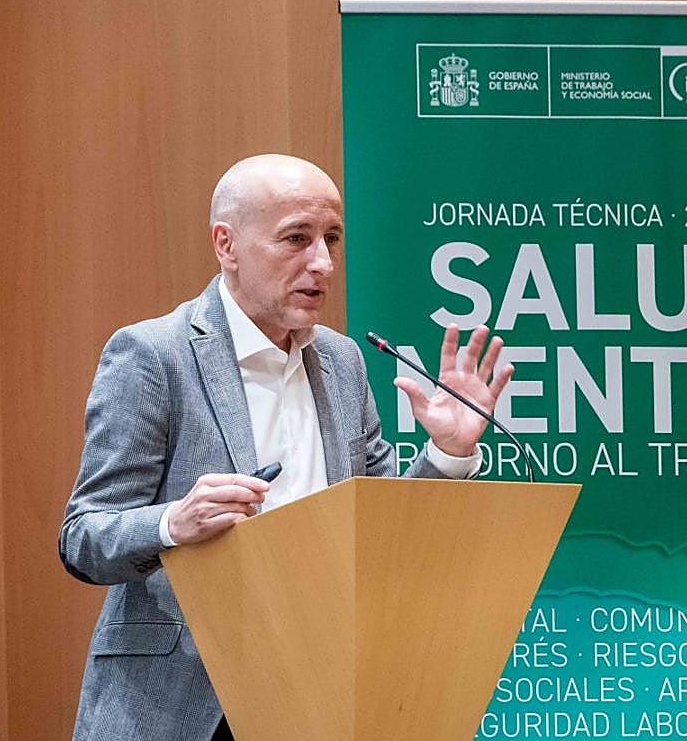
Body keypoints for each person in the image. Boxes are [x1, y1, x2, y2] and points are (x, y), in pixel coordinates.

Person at [59, 154, 514, 741]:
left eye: (331, 238)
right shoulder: (154, 356)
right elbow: (84, 537)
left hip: (321, 692)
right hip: (184, 704)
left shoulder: (342, 360)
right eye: (296, 238)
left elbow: (379, 524)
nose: (321, 262)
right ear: (227, 245)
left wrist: (448, 453)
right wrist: (174, 521)